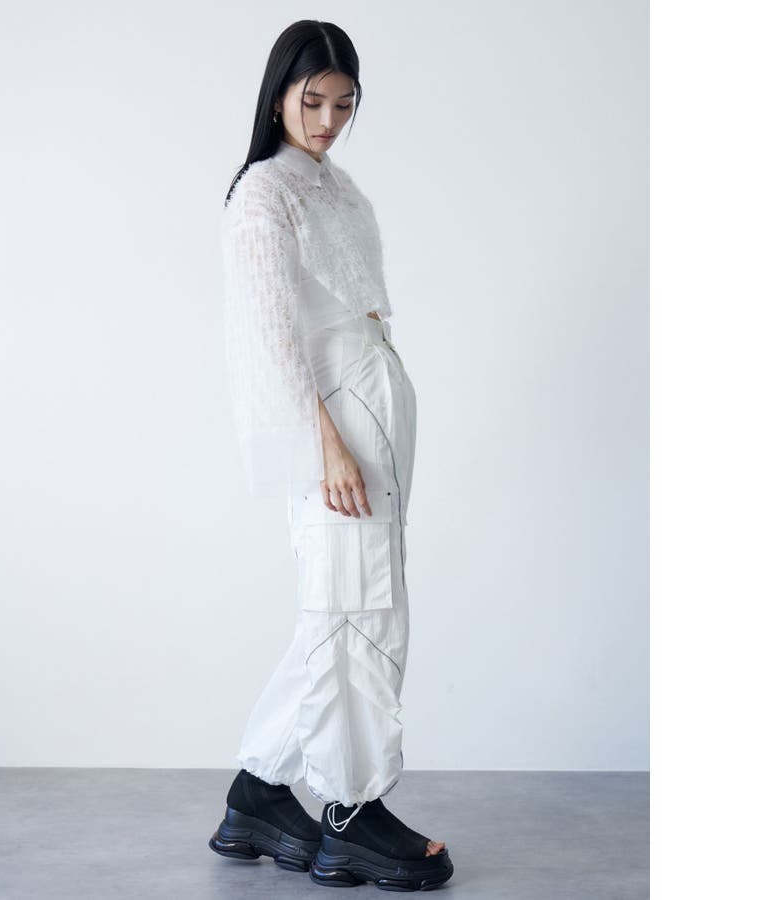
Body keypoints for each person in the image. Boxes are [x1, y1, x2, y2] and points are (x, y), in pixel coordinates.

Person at [208, 20, 454, 892]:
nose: (326, 120)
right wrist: (328, 448)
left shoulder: (338, 188)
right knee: (355, 606)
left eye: (344, 105)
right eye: (312, 100)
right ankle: (351, 809)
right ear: (278, 93)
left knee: (343, 607)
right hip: (334, 426)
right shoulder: (263, 195)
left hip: (373, 417)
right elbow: (276, 339)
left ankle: (258, 793)